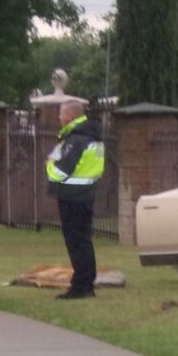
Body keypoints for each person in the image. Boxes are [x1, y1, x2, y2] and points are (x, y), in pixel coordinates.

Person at [46, 99, 104, 300]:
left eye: (61, 114)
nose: (59, 117)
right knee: (83, 241)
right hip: (85, 194)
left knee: (77, 243)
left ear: (69, 116)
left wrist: (50, 165)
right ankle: (86, 282)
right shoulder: (92, 137)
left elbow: (60, 170)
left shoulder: (76, 140)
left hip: (73, 197)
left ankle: (81, 285)